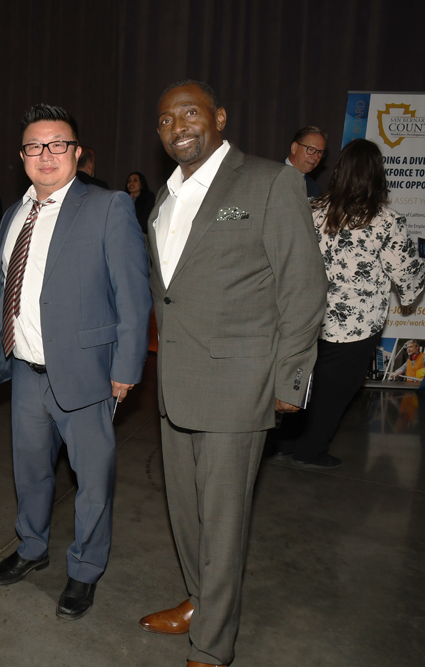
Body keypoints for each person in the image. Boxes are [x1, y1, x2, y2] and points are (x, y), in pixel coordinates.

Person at [138, 80, 326, 667]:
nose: (178, 126)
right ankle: (199, 601)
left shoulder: (271, 181)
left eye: (190, 113)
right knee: (186, 513)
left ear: (218, 118)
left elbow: (304, 287)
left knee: (222, 524)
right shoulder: (163, 200)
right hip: (177, 384)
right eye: (166, 119)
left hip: (238, 384)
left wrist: (289, 380)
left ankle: (212, 646)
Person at [0, 104, 151, 619]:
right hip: (26, 373)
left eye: (58, 144)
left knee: (92, 483)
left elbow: (133, 294)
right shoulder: (12, 214)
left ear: (77, 153)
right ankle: (32, 548)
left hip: (87, 375)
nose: (46, 155)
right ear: (22, 157)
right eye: (35, 146)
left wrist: (126, 367)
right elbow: (0, 289)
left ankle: (84, 571)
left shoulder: (108, 206)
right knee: (31, 475)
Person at [276, 139, 424, 469]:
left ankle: (283, 443)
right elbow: (408, 276)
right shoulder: (387, 220)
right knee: (334, 394)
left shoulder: (314, 209)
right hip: (355, 327)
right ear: (376, 176)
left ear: (340, 171)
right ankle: (310, 451)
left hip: (307, 318)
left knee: (298, 383)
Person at [286, 126, 327, 198]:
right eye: (310, 149)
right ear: (294, 148)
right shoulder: (270, 176)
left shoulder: (315, 190)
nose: (316, 157)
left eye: (320, 152)